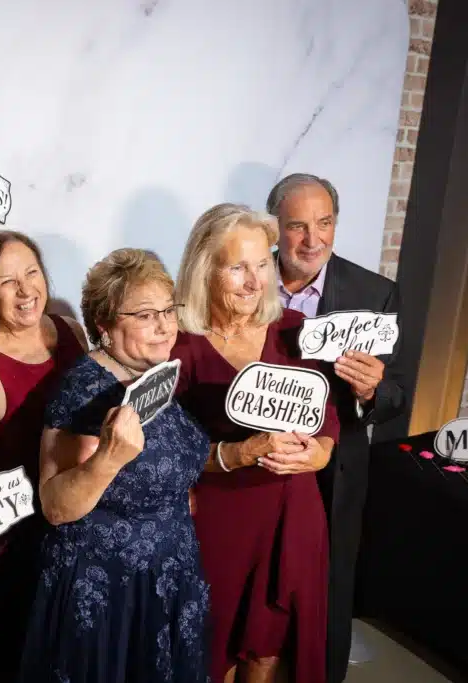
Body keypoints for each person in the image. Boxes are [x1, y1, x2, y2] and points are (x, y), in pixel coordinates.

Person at [16, 248, 211, 683]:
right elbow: (55, 506)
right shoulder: (84, 392)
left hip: (167, 578)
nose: (164, 326)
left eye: (168, 310)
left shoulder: (151, 373)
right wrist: (107, 458)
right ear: (104, 325)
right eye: (145, 315)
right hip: (110, 592)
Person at [171, 203, 341, 683]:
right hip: (218, 520)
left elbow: (327, 418)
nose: (254, 282)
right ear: (205, 270)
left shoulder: (294, 331)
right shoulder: (178, 345)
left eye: (262, 265)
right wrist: (238, 454)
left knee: (268, 650)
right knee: (209, 651)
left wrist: (320, 452)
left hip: (293, 514)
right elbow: (165, 454)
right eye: (237, 268)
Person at [266, 173, 407, 683]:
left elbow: (397, 395)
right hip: (255, 459)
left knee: (324, 590)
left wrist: (372, 390)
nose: (313, 240)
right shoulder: (242, 279)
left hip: (333, 472)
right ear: (274, 228)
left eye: (324, 223)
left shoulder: (375, 293)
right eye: (298, 226)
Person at [0, 230, 87, 682]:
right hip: (23, 546)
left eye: (32, 273)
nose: (26, 291)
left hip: (81, 521)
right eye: (7, 282)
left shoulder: (69, 329)